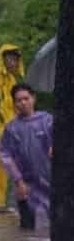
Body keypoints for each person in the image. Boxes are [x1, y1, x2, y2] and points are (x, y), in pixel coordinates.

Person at [0, 83, 52, 230]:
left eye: (26, 98)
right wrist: (18, 181)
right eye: (18, 100)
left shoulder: (47, 120)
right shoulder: (11, 129)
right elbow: (5, 156)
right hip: (26, 186)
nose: (23, 103)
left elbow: (62, 139)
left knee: (55, 228)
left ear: (33, 98)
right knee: (28, 230)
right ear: (14, 103)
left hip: (51, 181)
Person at [0, 44, 24, 213]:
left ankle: (0, 202)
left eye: (15, 59)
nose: (13, 62)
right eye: (9, 58)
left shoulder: (13, 81)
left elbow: (15, 106)